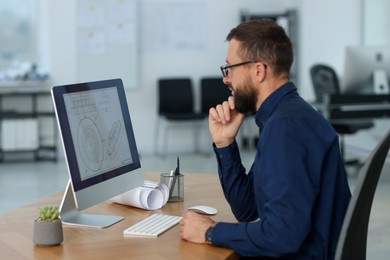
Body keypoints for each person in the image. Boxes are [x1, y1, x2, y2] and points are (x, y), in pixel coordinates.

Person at [179, 19, 351, 259]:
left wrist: (211, 232)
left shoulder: (286, 129)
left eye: (229, 68)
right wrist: (225, 143)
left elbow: (282, 236)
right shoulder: (286, 117)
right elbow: (248, 209)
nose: (226, 79)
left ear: (258, 70)